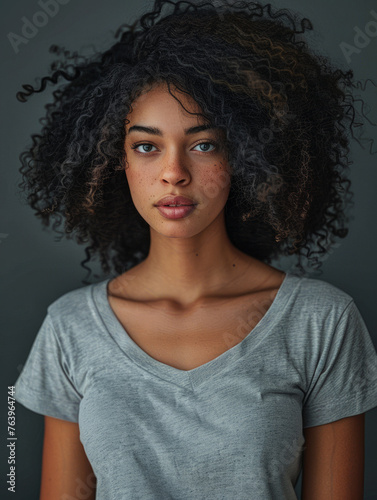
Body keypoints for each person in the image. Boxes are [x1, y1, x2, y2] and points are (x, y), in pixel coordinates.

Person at [13, 0, 377, 498]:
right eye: (146, 146)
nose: (173, 171)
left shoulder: (321, 321)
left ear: (248, 155)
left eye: (203, 144)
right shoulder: (70, 328)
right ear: (114, 160)